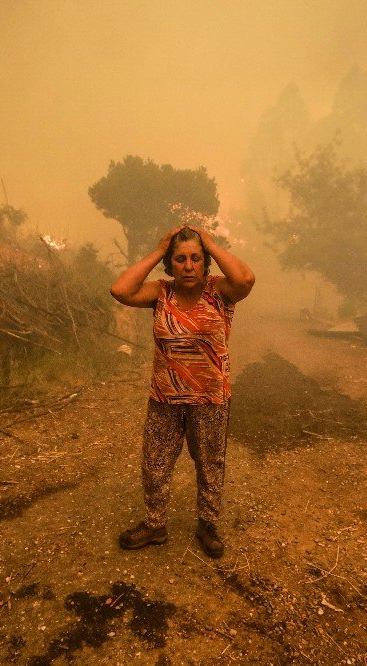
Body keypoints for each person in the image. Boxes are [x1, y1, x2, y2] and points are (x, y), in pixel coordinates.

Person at [109, 224, 255, 558]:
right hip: (165, 399)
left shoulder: (220, 291)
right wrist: (159, 249)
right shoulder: (161, 293)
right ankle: (155, 524)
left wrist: (212, 245)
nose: (188, 266)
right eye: (179, 259)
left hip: (210, 399)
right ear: (170, 265)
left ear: (205, 263)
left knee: (209, 463)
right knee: (155, 463)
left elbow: (246, 279)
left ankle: (208, 524)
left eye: (195, 259)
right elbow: (120, 289)